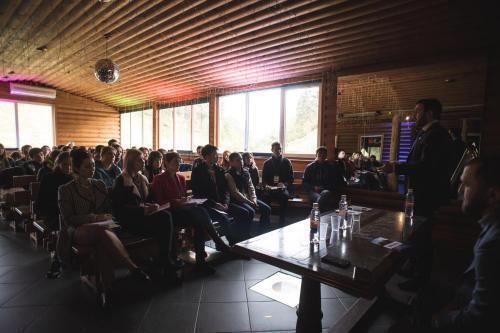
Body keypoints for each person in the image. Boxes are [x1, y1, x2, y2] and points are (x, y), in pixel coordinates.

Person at [378, 98, 453, 291]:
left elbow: (427, 167)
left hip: (427, 195)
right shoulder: (424, 134)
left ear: (429, 114)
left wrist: (395, 166)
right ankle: (413, 267)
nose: (414, 116)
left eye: (417, 112)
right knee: (415, 233)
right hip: (418, 193)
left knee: (423, 236)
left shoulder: (436, 135)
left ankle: (421, 278)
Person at [58, 150, 149, 304]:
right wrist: (94, 217)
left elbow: (109, 208)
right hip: (78, 229)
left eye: (93, 165)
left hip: (103, 228)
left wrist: (108, 216)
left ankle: (109, 288)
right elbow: (68, 219)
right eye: (87, 167)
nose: (92, 169)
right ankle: (132, 268)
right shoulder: (66, 189)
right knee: (102, 232)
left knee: (102, 240)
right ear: (77, 168)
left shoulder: (98, 185)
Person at [152, 151, 231, 274]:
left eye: (179, 162)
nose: (178, 164)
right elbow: (161, 201)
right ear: (166, 163)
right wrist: (178, 201)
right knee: (200, 216)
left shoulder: (181, 178)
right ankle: (217, 243)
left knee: (199, 219)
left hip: (183, 210)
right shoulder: (159, 179)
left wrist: (187, 200)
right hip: (169, 213)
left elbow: (183, 197)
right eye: (175, 162)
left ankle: (201, 262)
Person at [111, 149, 179, 278]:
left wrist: (151, 206)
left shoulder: (141, 178)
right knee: (165, 220)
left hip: (143, 217)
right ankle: (165, 260)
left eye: (143, 159)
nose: (144, 161)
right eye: (140, 160)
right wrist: (144, 209)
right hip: (130, 221)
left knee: (166, 217)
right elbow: (120, 209)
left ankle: (164, 260)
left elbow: (145, 200)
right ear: (131, 162)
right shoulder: (121, 180)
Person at [191, 144, 244, 244]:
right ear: (206, 156)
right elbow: (198, 193)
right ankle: (232, 244)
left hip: (221, 204)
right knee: (223, 218)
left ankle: (241, 240)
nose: (217, 156)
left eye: (217, 154)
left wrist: (225, 203)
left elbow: (225, 190)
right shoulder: (198, 171)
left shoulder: (219, 170)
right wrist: (215, 204)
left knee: (243, 212)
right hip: (207, 205)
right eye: (214, 155)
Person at [226, 152, 271, 228]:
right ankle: (243, 233)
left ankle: (261, 232)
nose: (241, 161)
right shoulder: (228, 174)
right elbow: (235, 192)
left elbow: (251, 187)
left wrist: (254, 200)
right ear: (231, 163)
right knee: (250, 212)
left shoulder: (246, 172)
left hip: (248, 198)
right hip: (237, 200)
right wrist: (249, 202)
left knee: (267, 209)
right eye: (237, 160)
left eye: (241, 159)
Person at [35, 151, 73, 230]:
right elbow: (42, 201)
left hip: (69, 213)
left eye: (71, 165)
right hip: (52, 214)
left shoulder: (73, 178)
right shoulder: (48, 177)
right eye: (65, 164)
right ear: (58, 164)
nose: (68, 167)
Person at [302, 146, 345, 212]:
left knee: (325, 193)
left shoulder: (331, 167)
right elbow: (304, 182)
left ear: (326, 155)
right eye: (320, 153)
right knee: (321, 198)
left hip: (326, 190)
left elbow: (334, 182)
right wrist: (314, 187)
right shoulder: (309, 167)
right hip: (313, 191)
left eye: (324, 153)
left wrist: (323, 187)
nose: (322, 155)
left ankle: (312, 215)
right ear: (316, 154)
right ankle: (315, 215)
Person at [261, 142, 293, 224]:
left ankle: (282, 222)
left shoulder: (287, 162)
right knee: (264, 197)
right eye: (276, 149)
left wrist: (284, 184)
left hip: (281, 189)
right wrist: (266, 186)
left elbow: (291, 179)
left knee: (284, 196)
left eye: (280, 149)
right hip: (270, 189)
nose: (278, 151)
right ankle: (265, 222)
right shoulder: (267, 163)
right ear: (271, 150)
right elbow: (263, 179)